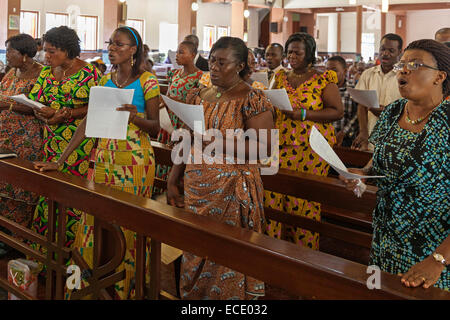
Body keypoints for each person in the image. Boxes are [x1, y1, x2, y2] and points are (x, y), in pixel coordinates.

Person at [34, 26, 161, 299]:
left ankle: (122, 291)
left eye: (119, 44)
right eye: (110, 44)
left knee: (126, 227)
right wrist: (60, 159)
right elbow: (88, 121)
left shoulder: (148, 81)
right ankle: (90, 290)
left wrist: (135, 117)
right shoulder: (105, 80)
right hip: (103, 158)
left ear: (134, 49)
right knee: (92, 223)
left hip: (135, 161)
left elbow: (155, 128)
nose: (112, 49)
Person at [167, 36, 275, 300]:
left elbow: (264, 148)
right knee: (196, 252)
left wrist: (218, 142)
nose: (213, 68)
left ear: (239, 66)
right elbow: (186, 136)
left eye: (222, 63)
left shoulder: (253, 98)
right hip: (197, 186)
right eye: (212, 61)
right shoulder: (198, 95)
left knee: (228, 260)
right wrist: (172, 179)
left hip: (232, 191)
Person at [340, 39, 449, 291]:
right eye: (403, 64)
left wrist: (438, 259)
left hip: (434, 247)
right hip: (386, 236)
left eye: (416, 65)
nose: (404, 70)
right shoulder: (393, 112)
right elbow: (377, 162)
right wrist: (363, 174)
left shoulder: (448, 120)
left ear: (439, 77)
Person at [264, 32, 344, 250]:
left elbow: (337, 111)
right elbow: (269, 104)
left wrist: (304, 115)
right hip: (279, 144)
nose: (292, 56)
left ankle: (302, 253)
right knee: (273, 195)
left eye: (297, 52)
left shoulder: (324, 78)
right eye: (289, 52)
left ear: (309, 53)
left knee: (303, 201)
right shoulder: (280, 77)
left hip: (310, 148)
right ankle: (273, 249)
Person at [28, 26, 100, 255]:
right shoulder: (47, 72)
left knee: (72, 197)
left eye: (51, 52)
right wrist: (39, 111)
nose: (46, 57)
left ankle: (71, 256)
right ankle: (45, 254)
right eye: (45, 51)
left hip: (79, 144)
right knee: (49, 193)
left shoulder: (90, 74)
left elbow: (96, 107)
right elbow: (36, 99)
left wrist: (67, 113)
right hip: (50, 141)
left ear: (68, 50)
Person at [0, 34, 43, 257]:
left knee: (20, 187)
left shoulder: (40, 73)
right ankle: (5, 236)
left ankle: (18, 242)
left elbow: (37, 107)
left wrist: (6, 104)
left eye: (10, 52)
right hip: (4, 137)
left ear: (25, 55)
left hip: (26, 139)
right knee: (3, 184)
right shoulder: (11, 72)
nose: (7, 56)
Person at [352, 33, 403, 151]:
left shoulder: (404, 76)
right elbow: (361, 105)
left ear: (400, 52)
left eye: (391, 50)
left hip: (395, 137)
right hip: (370, 133)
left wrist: (388, 112)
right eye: (383, 49)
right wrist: (363, 132)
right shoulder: (368, 74)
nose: (385, 53)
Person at [157, 40, 203, 144]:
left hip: (184, 120)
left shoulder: (200, 77)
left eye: (181, 52)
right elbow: (168, 94)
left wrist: (171, 101)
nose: (176, 55)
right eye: (177, 52)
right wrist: (163, 103)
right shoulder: (174, 73)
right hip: (170, 119)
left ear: (192, 55)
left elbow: (197, 105)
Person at [327, 56, 359, 147]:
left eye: (334, 71)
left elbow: (357, 115)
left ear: (345, 72)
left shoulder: (352, 90)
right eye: (327, 70)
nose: (329, 74)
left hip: (345, 138)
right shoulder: (321, 89)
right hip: (324, 136)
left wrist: (343, 132)